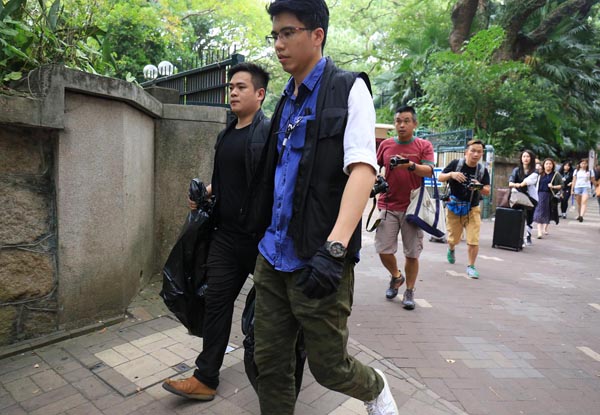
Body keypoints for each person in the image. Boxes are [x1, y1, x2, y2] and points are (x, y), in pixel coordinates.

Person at [241, 1, 398, 414]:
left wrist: (334, 249)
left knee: (329, 368)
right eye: (275, 35)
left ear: (317, 35)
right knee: (269, 362)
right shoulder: (285, 101)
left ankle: (376, 387)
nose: (278, 44)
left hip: (319, 258)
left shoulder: (348, 89)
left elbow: (363, 170)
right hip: (272, 256)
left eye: (287, 33)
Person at [162, 62, 270, 401]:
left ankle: (279, 375)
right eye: (231, 87)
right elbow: (225, 180)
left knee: (273, 312)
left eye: (241, 87)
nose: (233, 92)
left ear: (260, 94)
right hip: (225, 238)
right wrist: (206, 193)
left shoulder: (269, 135)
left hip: (262, 241)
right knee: (216, 303)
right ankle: (206, 378)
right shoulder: (226, 135)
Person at [375, 106, 435, 308]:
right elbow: (376, 167)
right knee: (383, 249)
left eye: (406, 121)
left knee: (412, 253)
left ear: (415, 124)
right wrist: (377, 178)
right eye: (398, 121)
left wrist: (409, 165)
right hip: (388, 204)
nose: (401, 125)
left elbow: (429, 171)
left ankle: (409, 291)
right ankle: (396, 276)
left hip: (413, 208)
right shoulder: (386, 145)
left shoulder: (423, 145)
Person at [438, 139, 491, 279]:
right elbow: (440, 177)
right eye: (473, 151)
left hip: (472, 208)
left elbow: (487, 190)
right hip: (454, 207)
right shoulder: (456, 164)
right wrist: (452, 174)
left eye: (479, 152)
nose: (476, 154)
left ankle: (471, 266)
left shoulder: (482, 170)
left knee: (473, 239)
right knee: (453, 238)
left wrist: (479, 186)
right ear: (466, 152)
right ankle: (451, 248)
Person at [508, 150, 539, 246]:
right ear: (521, 158)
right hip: (518, 196)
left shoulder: (535, 171)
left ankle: (528, 235)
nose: (525, 158)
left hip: (531, 197)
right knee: (517, 215)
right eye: (524, 156)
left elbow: (527, 181)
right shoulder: (516, 170)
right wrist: (516, 185)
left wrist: (518, 184)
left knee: (529, 217)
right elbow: (510, 182)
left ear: (531, 159)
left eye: (528, 156)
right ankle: (517, 236)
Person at [532, 158, 562, 238]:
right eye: (546, 164)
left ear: (553, 165)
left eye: (550, 164)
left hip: (550, 196)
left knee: (548, 212)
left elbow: (561, 185)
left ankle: (545, 228)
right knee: (539, 212)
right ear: (543, 165)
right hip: (540, 195)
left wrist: (553, 186)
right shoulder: (539, 174)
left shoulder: (556, 174)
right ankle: (539, 232)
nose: (548, 165)